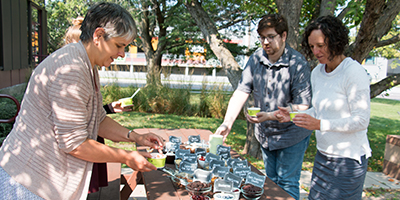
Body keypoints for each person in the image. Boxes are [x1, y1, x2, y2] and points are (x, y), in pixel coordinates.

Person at [0, 2, 164, 200]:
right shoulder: (72, 70)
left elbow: (99, 120)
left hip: (40, 182)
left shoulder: (86, 64)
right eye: (119, 45)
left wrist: (135, 137)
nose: (122, 53)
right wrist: (126, 157)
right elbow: (75, 144)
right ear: (98, 35)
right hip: (28, 184)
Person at [214, 14, 312, 200]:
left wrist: (270, 115)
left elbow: (303, 105)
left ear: (283, 36)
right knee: (271, 183)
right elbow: (241, 92)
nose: (265, 42)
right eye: (262, 37)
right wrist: (227, 123)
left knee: (287, 183)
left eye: (270, 37)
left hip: (292, 135)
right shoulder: (256, 59)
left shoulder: (297, 63)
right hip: (267, 134)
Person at [276, 15, 371, 199]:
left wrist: (320, 125)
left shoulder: (353, 72)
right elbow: (319, 112)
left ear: (336, 41)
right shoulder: (317, 72)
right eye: (312, 47)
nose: (316, 51)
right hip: (322, 157)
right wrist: (293, 114)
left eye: (320, 45)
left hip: (347, 161)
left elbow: (361, 121)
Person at [64, 16, 133, 114]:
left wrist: (108, 109)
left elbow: (86, 115)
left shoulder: (90, 70)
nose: (122, 54)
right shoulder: (71, 73)